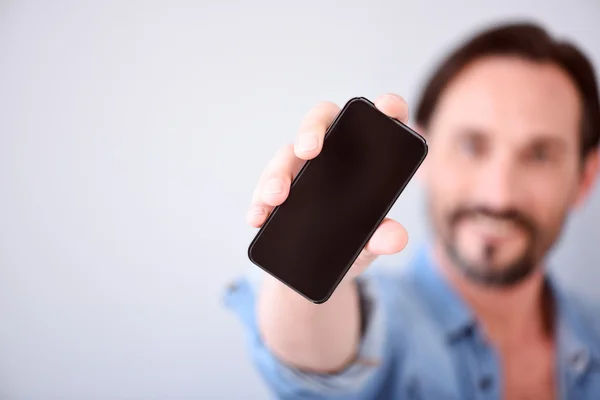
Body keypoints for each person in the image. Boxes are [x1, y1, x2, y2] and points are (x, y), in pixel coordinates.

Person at [224, 22, 600, 399]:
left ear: (585, 179)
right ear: (427, 158)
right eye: (471, 145)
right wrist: (303, 258)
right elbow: (317, 362)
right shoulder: (386, 321)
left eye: (540, 155)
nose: (499, 195)